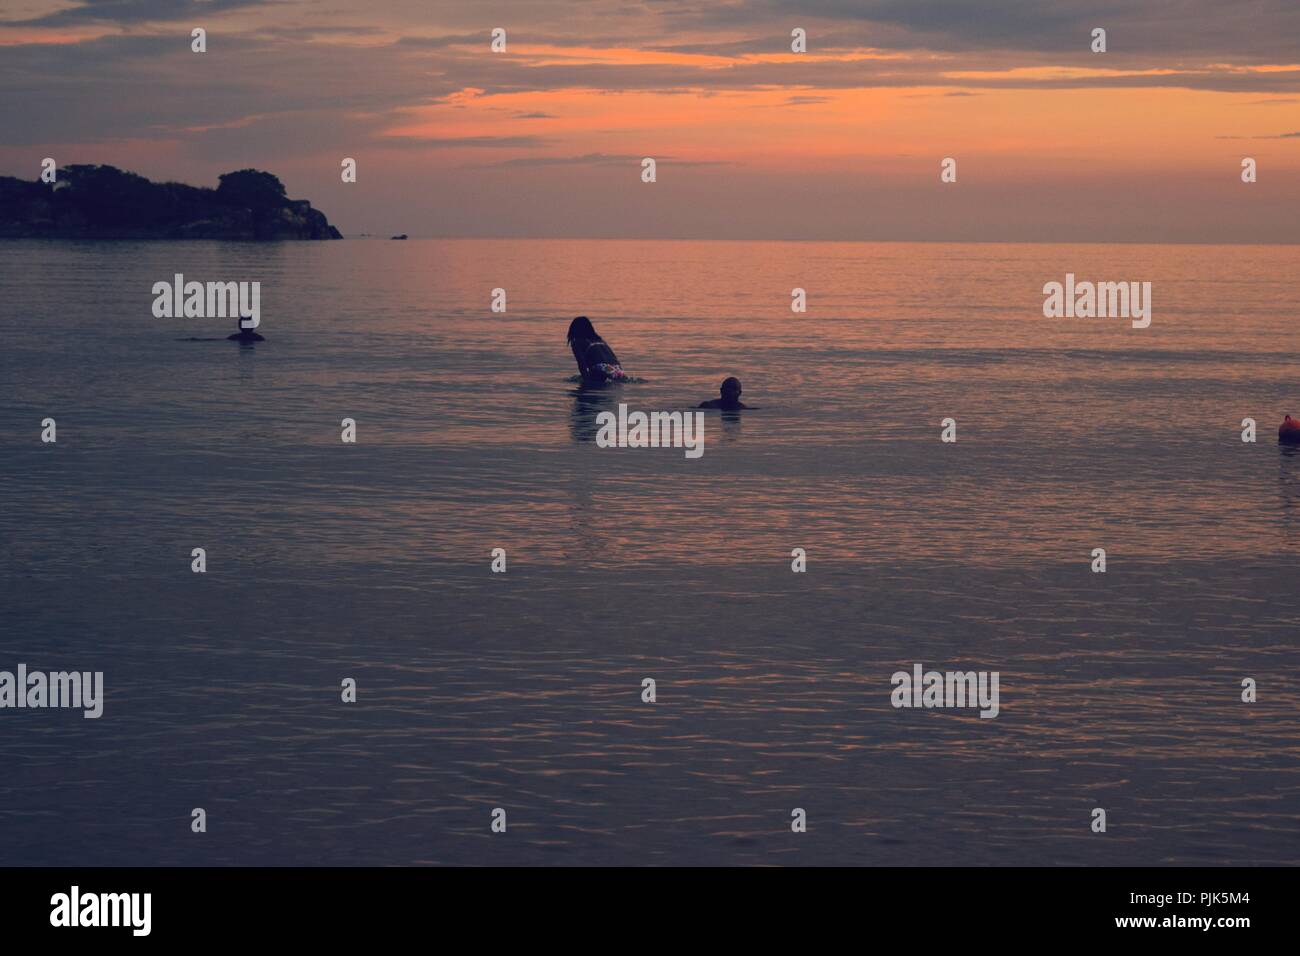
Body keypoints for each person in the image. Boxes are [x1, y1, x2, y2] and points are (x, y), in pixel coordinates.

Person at [567, 316, 625, 383]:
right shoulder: (599, 339)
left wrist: (586, 381)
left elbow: (581, 363)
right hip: (618, 369)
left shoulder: (577, 342)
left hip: (601, 368)